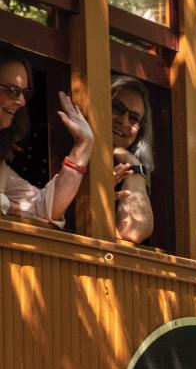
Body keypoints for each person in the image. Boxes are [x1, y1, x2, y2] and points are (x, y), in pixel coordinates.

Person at [0, 49, 93, 226]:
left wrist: (83, 144)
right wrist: (9, 207)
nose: (22, 102)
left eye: (24, 93)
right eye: (13, 91)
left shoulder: (1, 165)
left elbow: (43, 210)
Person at [109, 75, 154, 244]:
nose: (124, 121)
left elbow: (133, 232)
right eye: (116, 107)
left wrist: (133, 164)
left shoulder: (133, 170)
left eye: (134, 118)